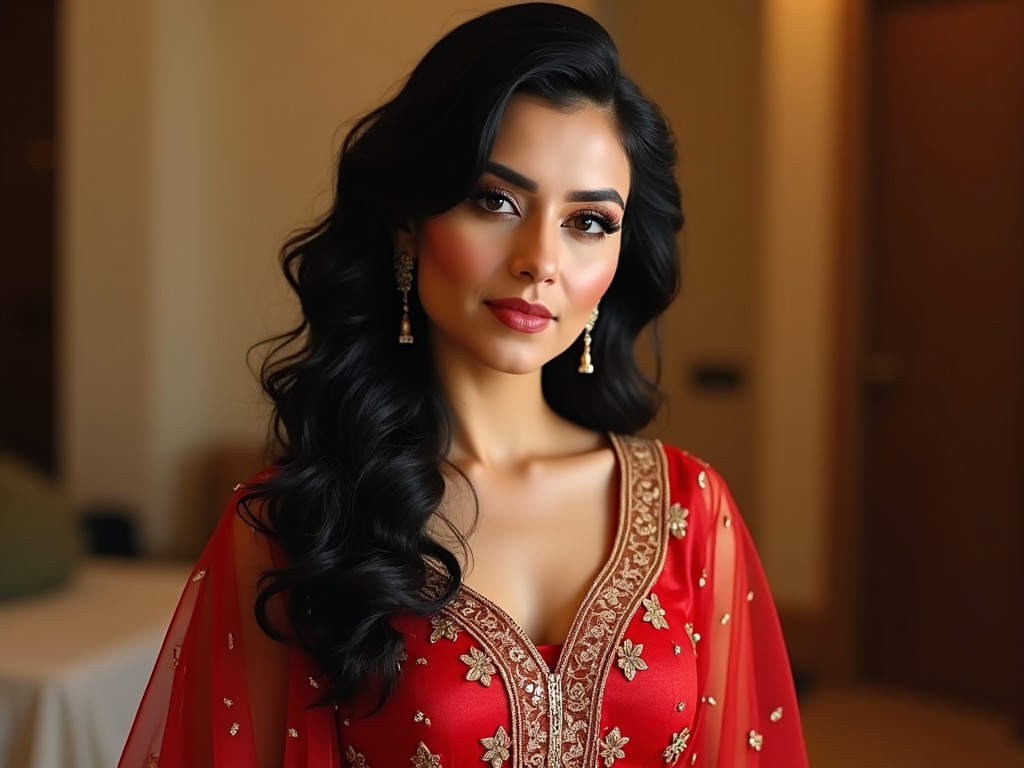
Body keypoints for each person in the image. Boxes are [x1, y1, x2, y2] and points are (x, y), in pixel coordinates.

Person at [119, 4, 809, 766]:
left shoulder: (691, 511)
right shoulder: (293, 525)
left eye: (588, 223)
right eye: (496, 201)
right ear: (408, 223)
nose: (540, 259)